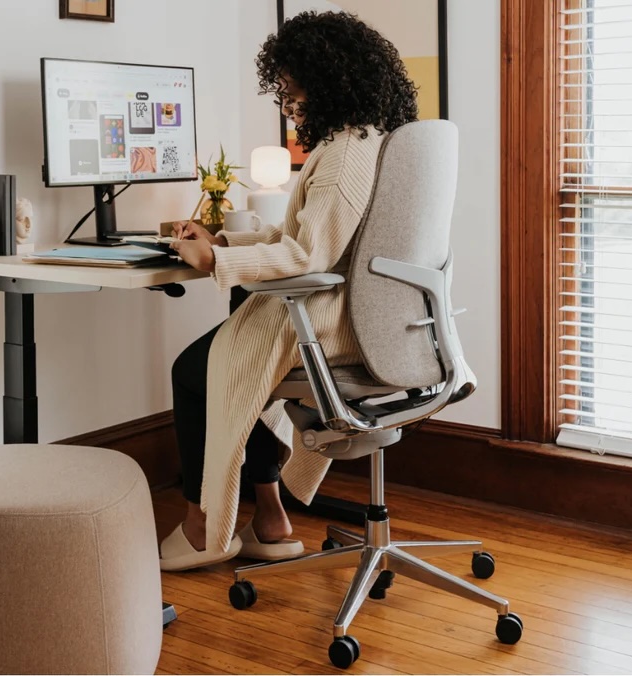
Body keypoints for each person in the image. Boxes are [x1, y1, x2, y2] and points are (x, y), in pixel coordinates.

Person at [158, 10, 419, 571]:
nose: (291, 108)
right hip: (367, 313)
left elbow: (308, 255)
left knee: (197, 370)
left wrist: (213, 260)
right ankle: (269, 518)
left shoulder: (345, 153)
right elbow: (309, 234)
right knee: (237, 336)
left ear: (326, 82)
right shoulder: (366, 137)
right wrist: (224, 240)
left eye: (294, 95)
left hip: (335, 320)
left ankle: (205, 525)